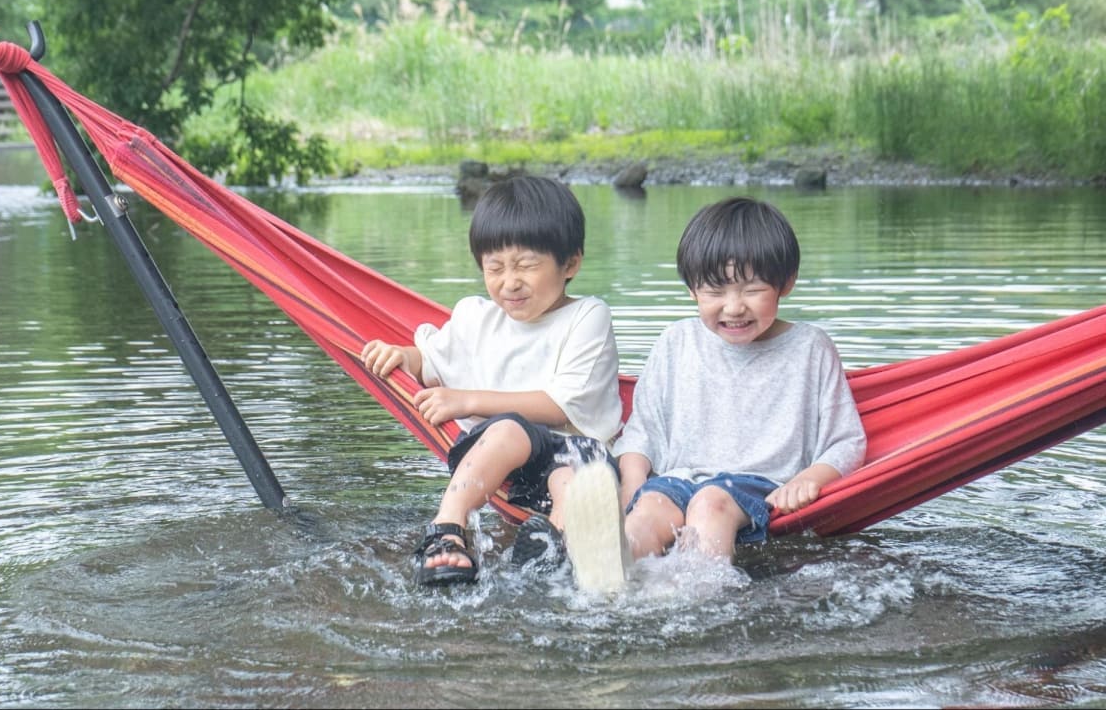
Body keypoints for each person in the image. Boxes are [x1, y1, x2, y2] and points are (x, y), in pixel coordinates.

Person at [563, 196, 867, 591]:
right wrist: (629, 490)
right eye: (715, 292)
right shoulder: (676, 342)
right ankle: (614, 566)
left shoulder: (810, 349)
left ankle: (698, 596)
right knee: (649, 511)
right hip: (676, 479)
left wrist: (810, 478)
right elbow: (643, 432)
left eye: (752, 289)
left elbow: (846, 440)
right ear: (692, 290)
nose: (734, 307)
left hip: (758, 486)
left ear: (786, 283)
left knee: (710, 502)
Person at [360, 174, 624, 587]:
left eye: (526, 265)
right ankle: (448, 529)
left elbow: (559, 406)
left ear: (570, 263)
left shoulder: (587, 316)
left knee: (573, 481)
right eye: (495, 267)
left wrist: (467, 401)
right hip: (501, 463)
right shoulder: (475, 318)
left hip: (576, 452)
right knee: (506, 431)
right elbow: (429, 362)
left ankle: (558, 547)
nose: (509, 282)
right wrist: (403, 357)